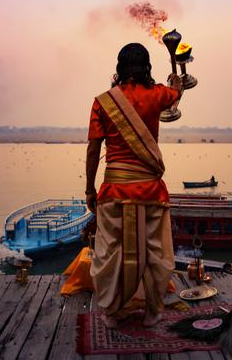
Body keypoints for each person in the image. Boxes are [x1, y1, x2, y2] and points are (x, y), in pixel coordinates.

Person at [86, 42, 183, 328]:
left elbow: (93, 150)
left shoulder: (103, 101)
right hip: (151, 191)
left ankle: (115, 312)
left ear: (119, 67)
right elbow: (176, 95)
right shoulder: (158, 95)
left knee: (111, 252)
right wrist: (177, 83)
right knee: (155, 252)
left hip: (114, 191)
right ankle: (153, 311)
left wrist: (89, 189)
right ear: (146, 66)